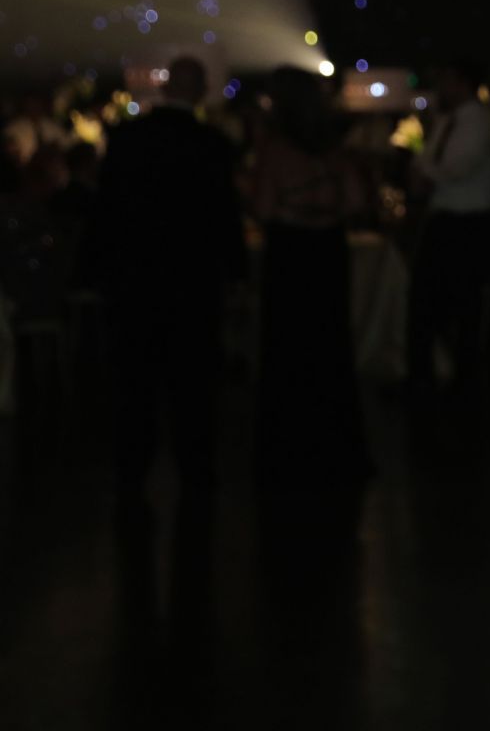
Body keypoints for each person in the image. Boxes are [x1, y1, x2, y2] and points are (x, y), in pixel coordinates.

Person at [93, 56, 246, 508]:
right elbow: (225, 217)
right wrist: (235, 273)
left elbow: (106, 213)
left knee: (134, 383)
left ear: (163, 88)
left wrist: (98, 272)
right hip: (192, 283)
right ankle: (196, 473)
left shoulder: (126, 140)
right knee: (193, 383)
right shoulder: (212, 145)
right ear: (198, 91)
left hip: (134, 281)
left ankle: (131, 473)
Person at [251, 66, 370, 486]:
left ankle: (289, 448)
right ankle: (334, 444)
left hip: (290, 252)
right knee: (329, 341)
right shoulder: (333, 149)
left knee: (288, 345)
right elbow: (355, 200)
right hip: (326, 251)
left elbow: (263, 209)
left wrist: (292, 207)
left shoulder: (275, 149)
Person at [407, 61, 490, 390]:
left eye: (445, 79)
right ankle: (429, 373)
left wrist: (423, 168)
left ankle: (461, 377)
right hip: (446, 220)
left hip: (465, 225)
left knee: (460, 303)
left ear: (460, 81)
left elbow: (453, 168)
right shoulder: (450, 120)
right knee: (428, 302)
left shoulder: (476, 121)